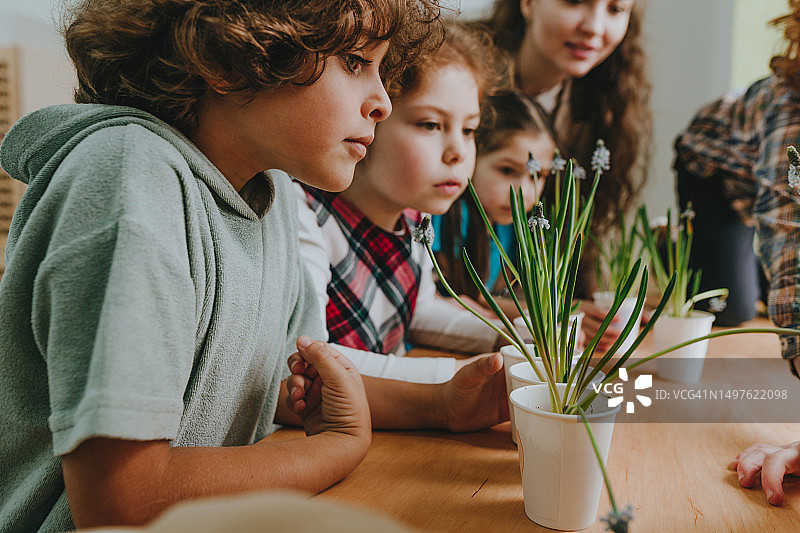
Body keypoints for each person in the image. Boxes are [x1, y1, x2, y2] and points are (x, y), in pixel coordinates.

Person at [0, 1, 510, 531]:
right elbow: (123, 501)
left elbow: (283, 386)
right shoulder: (131, 179)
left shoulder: (271, 194)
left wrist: (442, 406)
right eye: (357, 62)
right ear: (224, 57)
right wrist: (335, 449)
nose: (382, 101)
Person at [296, 21, 508, 384]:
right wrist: (456, 377)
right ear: (368, 120)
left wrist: (513, 337)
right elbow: (314, 355)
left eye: (469, 130)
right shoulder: (307, 215)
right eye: (430, 124)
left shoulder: (414, 218)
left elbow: (420, 310)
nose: (459, 152)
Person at [671, 0, 800, 506]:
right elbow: (790, 230)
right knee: (733, 310)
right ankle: (678, 239)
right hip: (716, 173)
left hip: (767, 182)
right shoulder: (790, 111)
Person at [483, 0, 651, 299]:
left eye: (615, 9)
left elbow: (577, 241)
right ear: (528, 3)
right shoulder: (462, 77)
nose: (594, 28)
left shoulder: (602, 108)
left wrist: (596, 305)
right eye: (575, 1)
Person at [431, 89, 553, 320]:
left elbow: (485, 298)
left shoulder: (508, 227)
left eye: (538, 176)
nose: (524, 192)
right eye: (507, 170)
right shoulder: (445, 215)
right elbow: (459, 298)